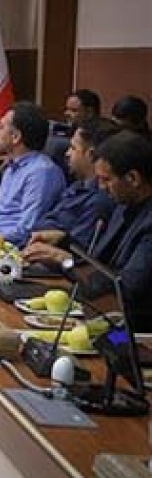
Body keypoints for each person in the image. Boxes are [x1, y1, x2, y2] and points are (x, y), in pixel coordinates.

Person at [23, 131, 152, 331]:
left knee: (80, 345)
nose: (101, 187)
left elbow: (124, 291)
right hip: (102, 316)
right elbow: (96, 263)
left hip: (134, 336)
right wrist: (63, 241)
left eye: (106, 180)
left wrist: (64, 260)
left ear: (133, 178)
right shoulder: (123, 206)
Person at [0, 102, 67, 246]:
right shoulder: (11, 166)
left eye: (1, 127)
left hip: (7, 246)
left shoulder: (41, 173)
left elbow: (27, 230)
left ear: (16, 137)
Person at [27, 119, 118, 251]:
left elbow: (77, 251)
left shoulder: (99, 201)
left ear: (91, 155)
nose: (67, 153)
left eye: (73, 148)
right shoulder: (77, 185)